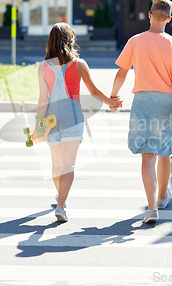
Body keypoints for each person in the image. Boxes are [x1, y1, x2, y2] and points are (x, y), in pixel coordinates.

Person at [109, 0, 172, 223]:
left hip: (142, 103)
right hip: (165, 103)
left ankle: (151, 208)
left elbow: (122, 73)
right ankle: (163, 196)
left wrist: (113, 96)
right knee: (164, 152)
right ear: (169, 19)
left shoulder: (135, 41)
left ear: (149, 14)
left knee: (147, 154)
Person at [36, 23, 122, 222]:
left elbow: (43, 100)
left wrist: (38, 127)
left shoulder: (43, 67)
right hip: (73, 119)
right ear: (70, 40)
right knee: (69, 166)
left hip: (51, 121)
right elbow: (93, 91)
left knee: (56, 164)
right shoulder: (80, 64)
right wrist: (111, 102)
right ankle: (60, 205)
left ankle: (61, 198)